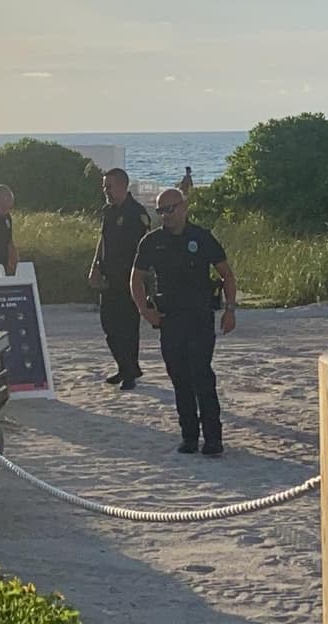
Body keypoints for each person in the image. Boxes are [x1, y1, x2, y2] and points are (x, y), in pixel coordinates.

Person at [130, 188, 236, 455]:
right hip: (170, 319)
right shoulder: (152, 242)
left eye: (170, 209)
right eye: (160, 210)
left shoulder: (201, 238)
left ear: (184, 207)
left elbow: (226, 275)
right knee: (179, 378)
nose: (165, 215)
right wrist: (145, 310)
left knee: (202, 375)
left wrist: (230, 309)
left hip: (199, 317)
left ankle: (213, 438)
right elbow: (136, 278)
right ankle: (189, 436)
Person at [88, 168, 152, 390]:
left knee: (127, 326)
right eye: (104, 187)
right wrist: (95, 265)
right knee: (109, 325)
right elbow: (103, 240)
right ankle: (124, 366)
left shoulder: (137, 213)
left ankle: (130, 371)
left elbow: (145, 250)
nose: (106, 191)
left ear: (123, 186)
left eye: (110, 186)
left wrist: (142, 280)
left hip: (129, 279)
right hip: (109, 278)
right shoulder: (108, 211)